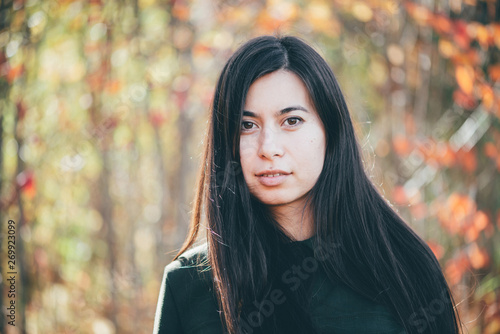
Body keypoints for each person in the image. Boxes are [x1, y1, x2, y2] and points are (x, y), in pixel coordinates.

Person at [153, 35, 462, 334]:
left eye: (291, 121)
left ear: (330, 131)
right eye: (247, 125)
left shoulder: (403, 265)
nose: (268, 147)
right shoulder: (188, 285)